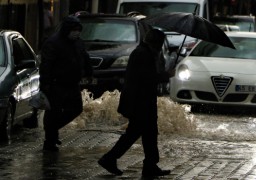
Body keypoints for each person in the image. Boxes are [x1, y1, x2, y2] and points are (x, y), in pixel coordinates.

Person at [98, 29, 174, 177]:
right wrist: (167, 75)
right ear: (156, 43)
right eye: (160, 43)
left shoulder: (144, 53)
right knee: (135, 133)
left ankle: (150, 165)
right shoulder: (143, 55)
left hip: (142, 100)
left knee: (149, 133)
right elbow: (148, 78)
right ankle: (110, 158)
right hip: (140, 101)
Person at [39, 16, 93, 151]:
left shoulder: (78, 42)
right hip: (56, 84)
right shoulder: (53, 43)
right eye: (74, 30)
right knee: (53, 112)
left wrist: (89, 73)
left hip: (72, 83)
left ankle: (52, 130)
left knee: (76, 109)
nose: (77, 33)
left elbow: (84, 57)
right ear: (67, 30)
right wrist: (45, 84)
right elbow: (46, 65)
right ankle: (50, 140)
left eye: (78, 30)